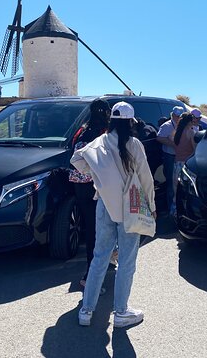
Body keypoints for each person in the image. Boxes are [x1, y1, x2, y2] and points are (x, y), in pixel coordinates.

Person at [71, 101, 156, 328]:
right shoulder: (134, 144)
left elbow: (77, 159)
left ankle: (86, 310)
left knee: (100, 257)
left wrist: (99, 174)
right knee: (127, 261)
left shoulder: (100, 141)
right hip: (131, 204)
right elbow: (146, 179)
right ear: (130, 121)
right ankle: (121, 312)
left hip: (104, 203)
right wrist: (152, 205)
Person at [69, 99, 111, 291]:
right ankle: (91, 275)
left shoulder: (81, 130)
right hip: (96, 185)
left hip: (79, 184)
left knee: (90, 227)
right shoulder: (103, 133)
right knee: (98, 230)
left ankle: (98, 266)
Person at [157, 106, 184, 215]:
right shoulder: (167, 126)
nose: (178, 118)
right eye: (177, 116)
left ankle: (179, 205)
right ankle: (171, 208)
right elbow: (159, 138)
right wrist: (173, 144)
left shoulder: (184, 126)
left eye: (180, 116)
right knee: (170, 182)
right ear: (172, 115)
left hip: (181, 156)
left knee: (179, 182)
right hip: (170, 156)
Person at [172, 112, 196, 212]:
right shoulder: (190, 133)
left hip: (176, 163)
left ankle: (173, 211)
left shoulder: (176, 132)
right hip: (185, 165)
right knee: (186, 192)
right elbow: (195, 149)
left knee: (175, 191)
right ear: (190, 121)